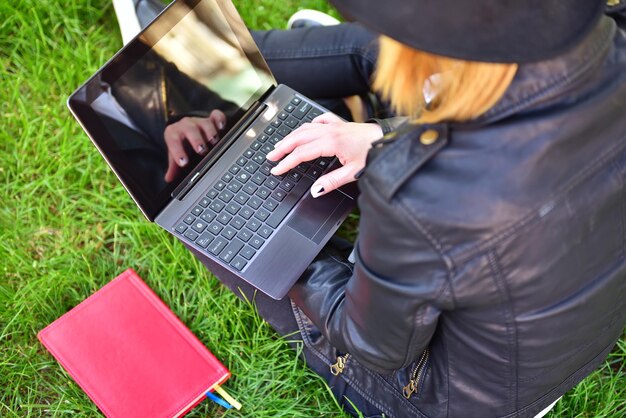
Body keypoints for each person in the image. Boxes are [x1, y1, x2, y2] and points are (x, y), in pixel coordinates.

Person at [123, 1, 626, 417]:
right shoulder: (610, 41)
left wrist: (267, 238)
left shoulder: (419, 189)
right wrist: (380, 135)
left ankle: (177, 86)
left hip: (450, 398)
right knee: (371, 55)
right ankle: (200, 66)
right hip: (571, 333)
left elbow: (375, 348)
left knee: (207, 211)